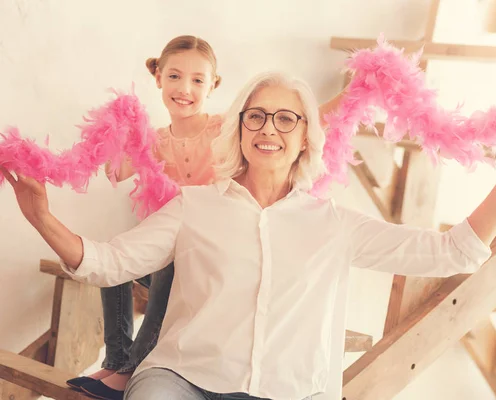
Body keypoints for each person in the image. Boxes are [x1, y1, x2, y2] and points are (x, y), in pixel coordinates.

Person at [1, 71, 496, 400]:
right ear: (240, 129)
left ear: (307, 138)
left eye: (286, 118)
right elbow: (107, 264)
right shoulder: (194, 207)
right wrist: (40, 219)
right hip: (182, 381)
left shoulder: (334, 224)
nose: (268, 128)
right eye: (256, 115)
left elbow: (458, 251)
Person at [57, 35, 349, 400]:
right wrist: (114, 131)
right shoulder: (156, 140)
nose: (185, 88)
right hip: (164, 249)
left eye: (198, 80)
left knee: (173, 264)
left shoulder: (224, 128)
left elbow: (310, 116)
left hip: (209, 258)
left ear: (213, 86)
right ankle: (116, 359)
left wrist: (357, 92)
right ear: (158, 78)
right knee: (113, 259)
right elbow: (115, 171)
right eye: (175, 77)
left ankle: (134, 366)